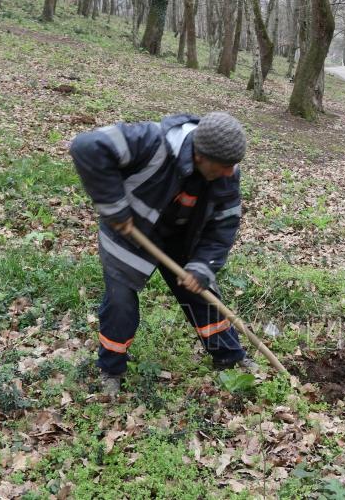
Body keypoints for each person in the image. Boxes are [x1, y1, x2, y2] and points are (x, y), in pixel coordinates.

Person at [69, 112, 257, 397]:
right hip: (131, 233)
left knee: (201, 294)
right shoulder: (151, 142)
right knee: (120, 303)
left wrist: (203, 267)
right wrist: (113, 206)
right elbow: (86, 146)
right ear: (200, 155)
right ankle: (111, 369)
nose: (230, 173)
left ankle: (229, 357)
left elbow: (224, 225)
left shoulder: (227, 175)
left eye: (233, 166)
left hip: (182, 238)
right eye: (224, 166)